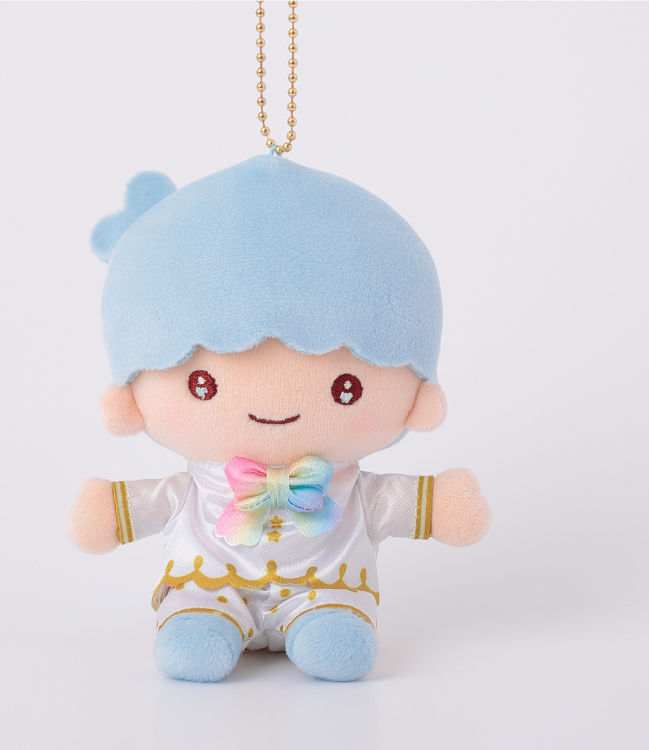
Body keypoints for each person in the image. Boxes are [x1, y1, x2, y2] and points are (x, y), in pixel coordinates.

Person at [67, 155, 491, 683]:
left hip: (327, 585)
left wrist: (443, 504)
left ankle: (325, 623)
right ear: (129, 397)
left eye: (346, 388)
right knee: (193, 632)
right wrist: (109, 510)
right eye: (204, 385)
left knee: (338, 640)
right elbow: (161, 500)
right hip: (210, 582)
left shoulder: (349, 486)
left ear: (416, 397)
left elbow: (391, 502)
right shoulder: (199, 486)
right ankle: (202, 621)